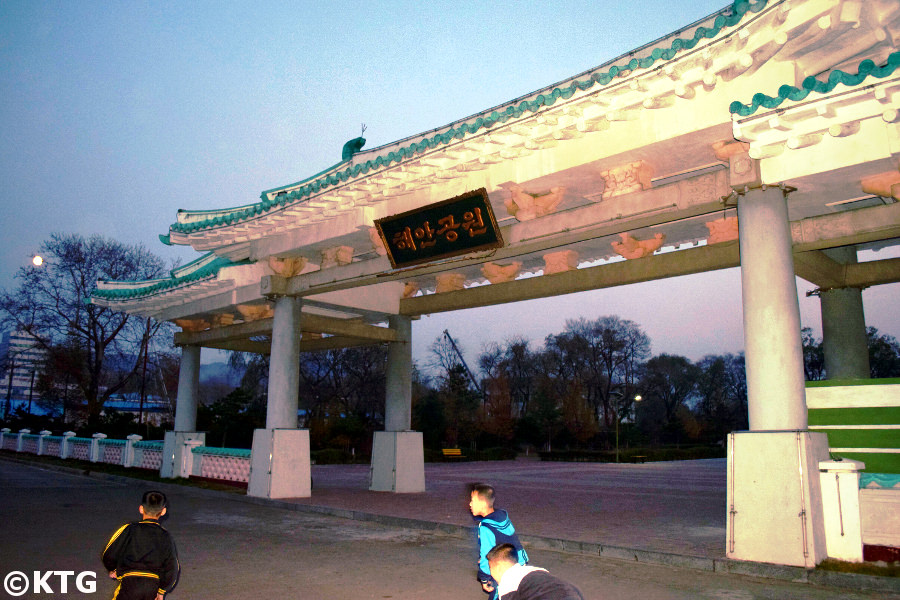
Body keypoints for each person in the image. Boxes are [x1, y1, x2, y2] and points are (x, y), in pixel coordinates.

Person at [101, 490, 180, 600]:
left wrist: (113, 569)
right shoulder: (165, 536)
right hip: (152, 586)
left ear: (141, 509)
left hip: (129, 582)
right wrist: (161, 591)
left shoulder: (129, 529)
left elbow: (109, 554)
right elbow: (172, 567)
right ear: (163, 511)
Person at [469, 483, 528, 600]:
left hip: (505, 569)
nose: (470, 504)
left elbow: (486, 554)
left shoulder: (486, 527)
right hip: (520, 562)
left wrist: (484, 578)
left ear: (482, 504)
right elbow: (507, 540)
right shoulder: (502, 516)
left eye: (472, 501)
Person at [487, 543, 585, 600]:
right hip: (574, 593)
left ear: (499, 567)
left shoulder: (509, 583)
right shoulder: (534, 570)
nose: (491, 574)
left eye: (490, 568)